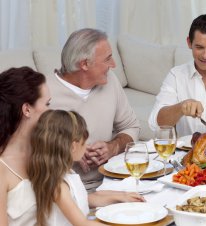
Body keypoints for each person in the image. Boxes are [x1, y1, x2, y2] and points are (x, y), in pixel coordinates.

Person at [47, 28, 140, 192]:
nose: (114, 65)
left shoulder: (110, 81)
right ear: (84, 64)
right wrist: (67, 152)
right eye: (108, 59)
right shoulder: (44, 93)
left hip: (113, 182)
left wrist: (114, 147)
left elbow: (131, 126)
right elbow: (27, 151)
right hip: (64, 191)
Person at [28, 110, 144, 226]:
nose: (87, 146)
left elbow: (84, 199)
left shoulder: (66, 172)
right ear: (73, 147)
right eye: (84, 143)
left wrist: (122, 196)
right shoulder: (59, 186)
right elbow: (82, 223)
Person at [0, 67, 50, 226]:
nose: (52, 111)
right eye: (47, 104)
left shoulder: (43, 148)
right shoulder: (2, 168)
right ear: (27, 109)